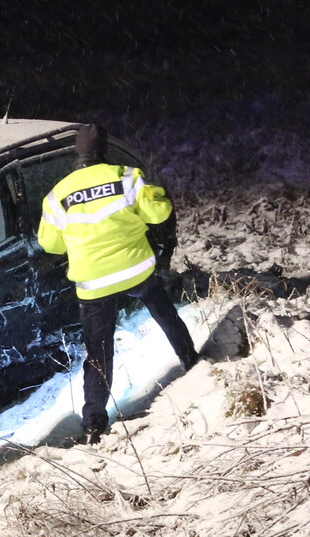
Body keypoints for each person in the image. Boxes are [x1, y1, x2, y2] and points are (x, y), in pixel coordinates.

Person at [38, 124, 199, 444]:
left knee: (98, 351)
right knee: (165, 313)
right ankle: (192, 362)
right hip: (134, 270)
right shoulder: (126, 176)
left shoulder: (58, 194)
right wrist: (155, 197)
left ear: (76, 154)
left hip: (93, 282)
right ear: (104, 150)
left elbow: (51, 245)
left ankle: (94, 421)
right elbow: (159, 212)